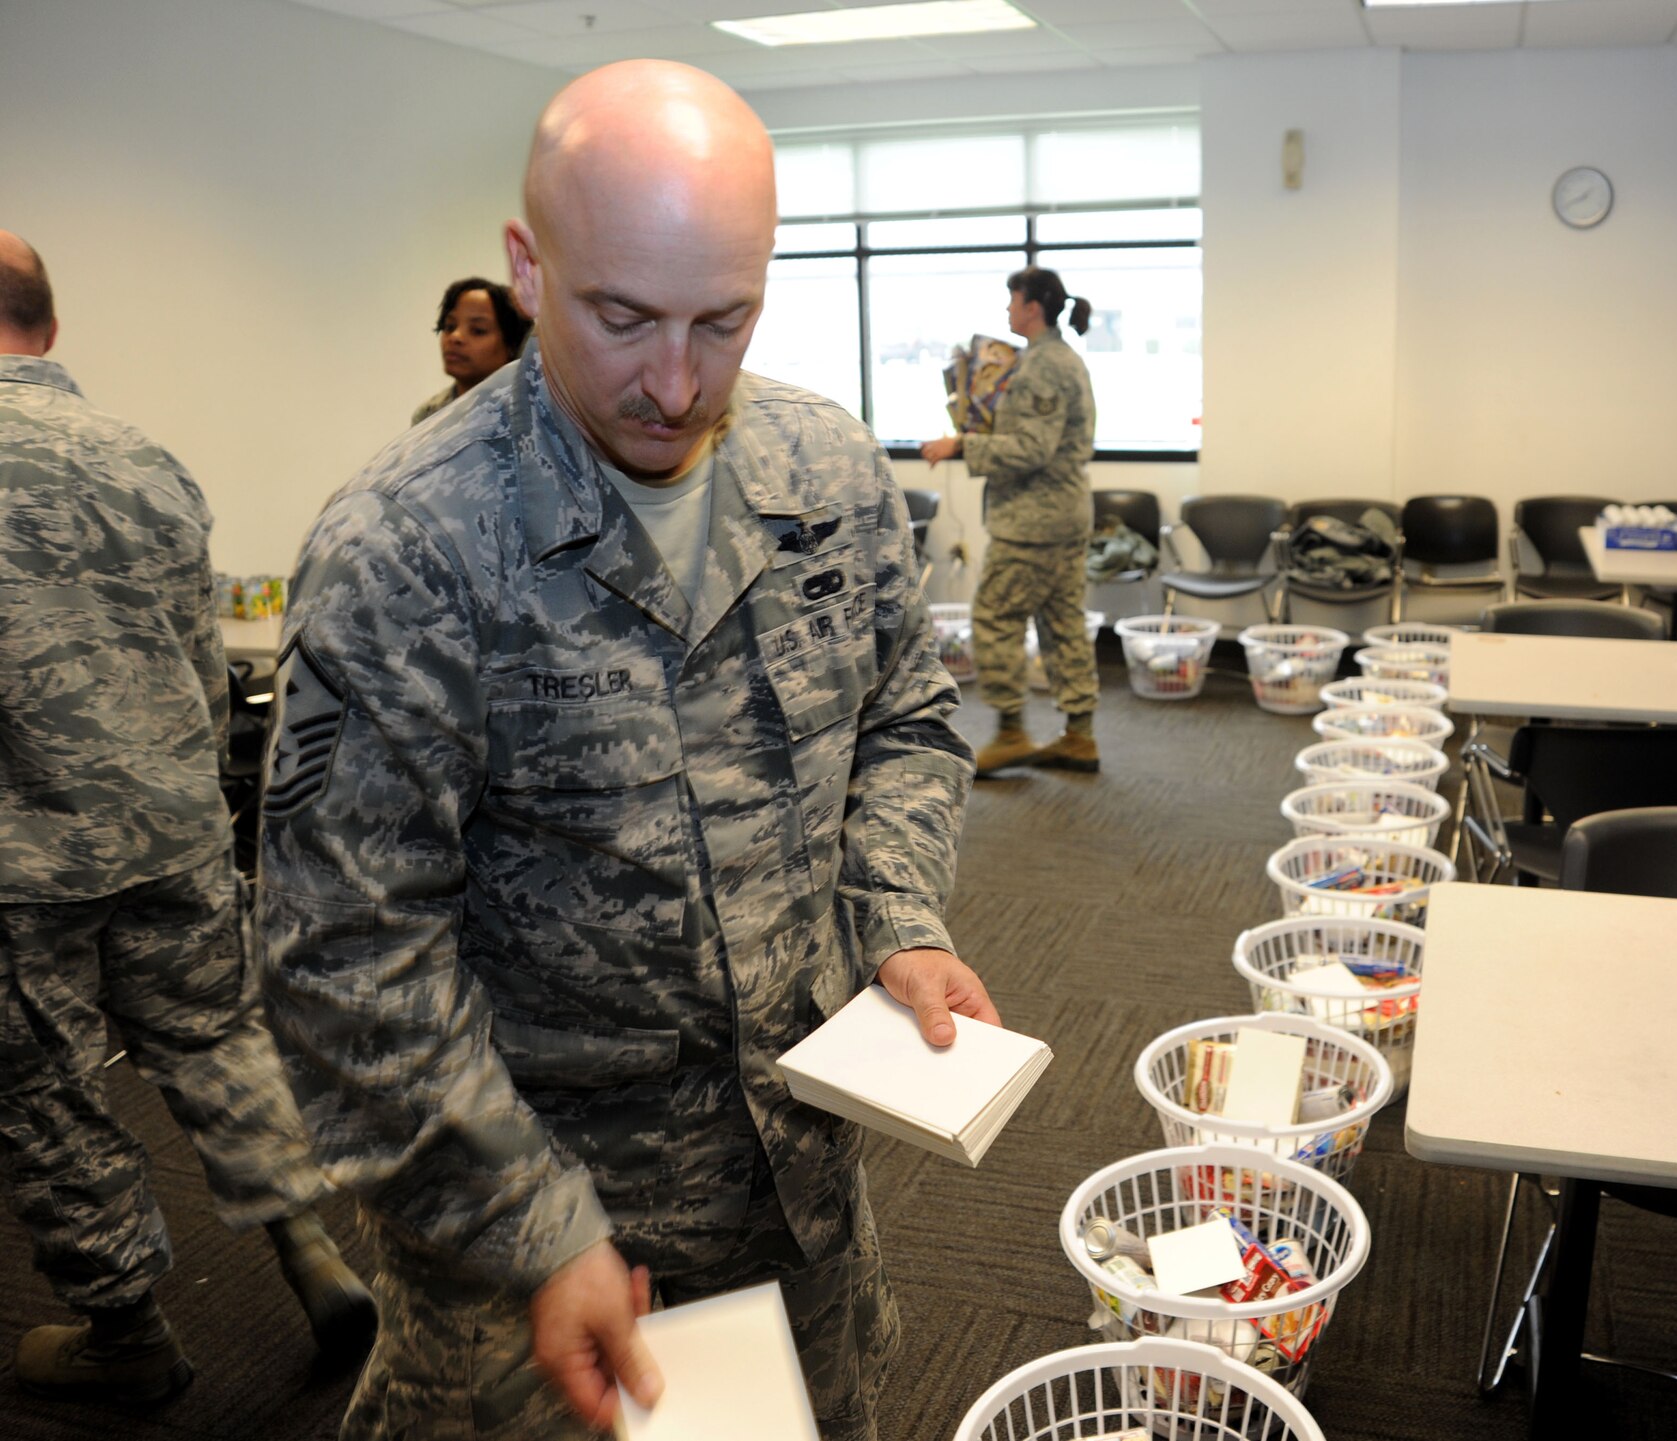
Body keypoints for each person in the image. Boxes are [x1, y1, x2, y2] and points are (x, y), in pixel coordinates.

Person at [257, 61, 991, 1441]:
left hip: (796, 1191)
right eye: (621, 317)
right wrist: (533, 1226)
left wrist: (893, 910)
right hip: (537, 1234)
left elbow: (903, 718)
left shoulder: (828, 476)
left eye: (725, 320)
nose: (673, 381)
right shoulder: (408, 549)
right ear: (528, 270)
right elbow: (342, 950)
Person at [0, 231, 375, 1405]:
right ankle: (310, 1250)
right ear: (49, 328)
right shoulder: (144, 457)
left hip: (25, 859)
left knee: (49, 1093)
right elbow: (197, 660)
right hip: (175, 826)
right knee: (215, 1041)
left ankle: (126, 1334)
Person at [921, 266, 1100, 778]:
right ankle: (1080, 736)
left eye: (1012, 301)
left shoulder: (1042, 367)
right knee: (1063, 623)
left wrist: (962, 444)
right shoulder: (1059, 360)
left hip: (1033, 521)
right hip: (1060, 516)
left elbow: (1032, 447)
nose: (1006, 311)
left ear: (1033, 306)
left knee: (996, 617)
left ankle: (1012, 731)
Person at [411, 276, 533, 425]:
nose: (455, 337)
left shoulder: (529, 413)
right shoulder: (429, 414)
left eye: (477, 330)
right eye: (450, 327)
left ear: (512, 345)